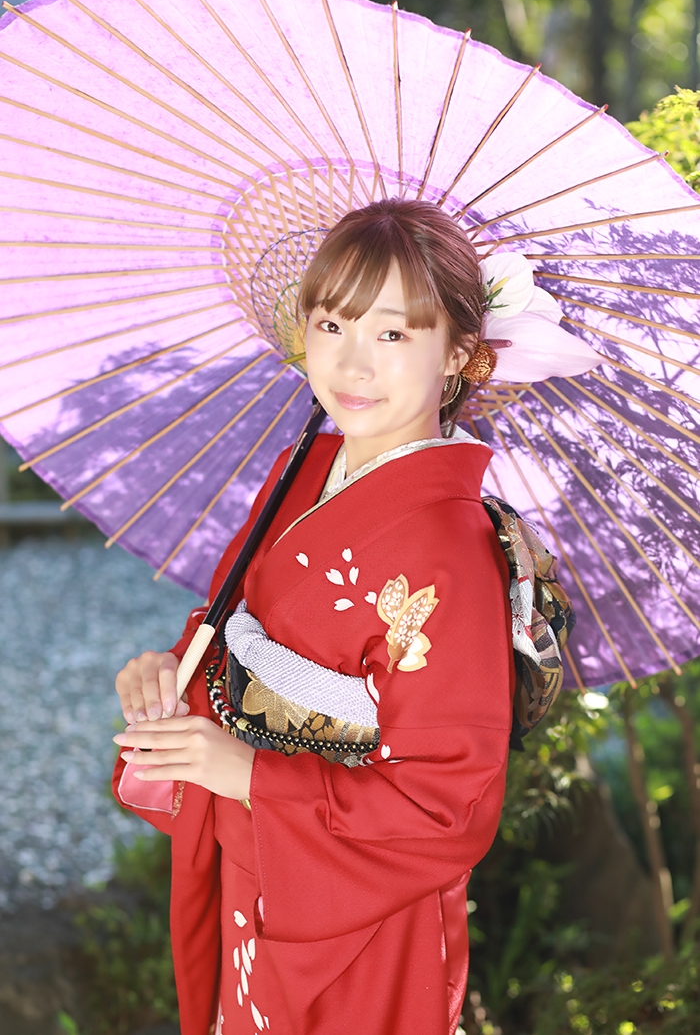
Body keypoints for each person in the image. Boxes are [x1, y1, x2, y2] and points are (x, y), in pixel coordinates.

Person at [112, 198, 515, 1035]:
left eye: (393, 333)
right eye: (332, 325)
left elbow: (446, 806)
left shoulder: (450, 549)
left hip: (360, 916)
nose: (353, 364)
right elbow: (232, 629)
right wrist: (175, 682)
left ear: (458, 353)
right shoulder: (307, 465)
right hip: (256, 864)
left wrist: (250, 775)